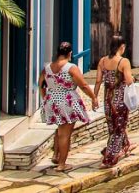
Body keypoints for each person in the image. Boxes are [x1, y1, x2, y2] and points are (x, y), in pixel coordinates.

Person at [39, 41, 97, 173]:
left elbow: (41, 83)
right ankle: (61, 164)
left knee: (60, 129)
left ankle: (56, 155)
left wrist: (45, 98)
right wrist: (93, 97)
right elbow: (83, 85)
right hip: (67, 101)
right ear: (70, 53)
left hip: (52, 100)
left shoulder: (47, 67)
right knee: (65, 134)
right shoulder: (71, 68)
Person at [95, 34, 134, 169]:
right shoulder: (124, 62)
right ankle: (109, 158)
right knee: (118, 129)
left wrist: (94, 97)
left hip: (108, 99)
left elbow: (98, 80)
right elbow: (128, 80)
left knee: (113, 126)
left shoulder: (103, 61)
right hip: (120, 100)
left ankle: (126, 145)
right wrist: (133, 79)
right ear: (122, 47)